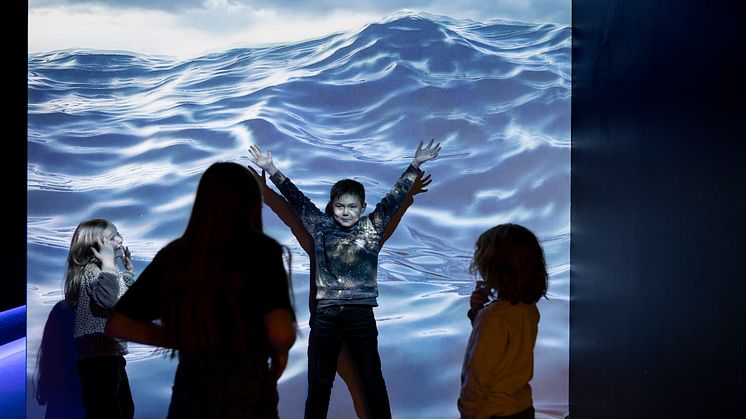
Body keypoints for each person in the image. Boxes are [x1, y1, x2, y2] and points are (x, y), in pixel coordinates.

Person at [249, 139, 440, 419]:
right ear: (332, 206)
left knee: (372, 381)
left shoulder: (372, 227)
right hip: (327, 315)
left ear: (362, 207)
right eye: (340, 206)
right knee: (320, 384)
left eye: (352, 207)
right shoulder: (321, 226)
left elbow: (393, 199)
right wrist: (271, 170)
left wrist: (415, 165)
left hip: (361, 314)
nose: (346, 212)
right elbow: (297, 200)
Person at [105, 162, 297, 419]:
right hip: (249, 395)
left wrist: (186, 338)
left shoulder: (174, 256)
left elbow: (119, 324)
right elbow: (281, 334)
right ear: (251, 203)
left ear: (203, 203)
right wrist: (279, 352)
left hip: (191, 395)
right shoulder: (263, 252)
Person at [458, 224, 549, 419]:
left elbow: (478, 375)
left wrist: (467, 412)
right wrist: (477, 313)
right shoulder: (528, 309)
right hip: (522, 407)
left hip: (491, 412)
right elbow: (506, 350)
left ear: (493, 269)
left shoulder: (492, 317)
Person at [63, 218, 135, 419]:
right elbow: (108, 300)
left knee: (125, 410)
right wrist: (110, 264)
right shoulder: (92, 272)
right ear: (95, 246)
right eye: (113, 238)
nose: (120, 240)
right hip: (98, 356)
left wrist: (127, 270)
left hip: (110, 353)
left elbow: (123, 301)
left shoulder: (107, 273)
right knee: (106, 412)